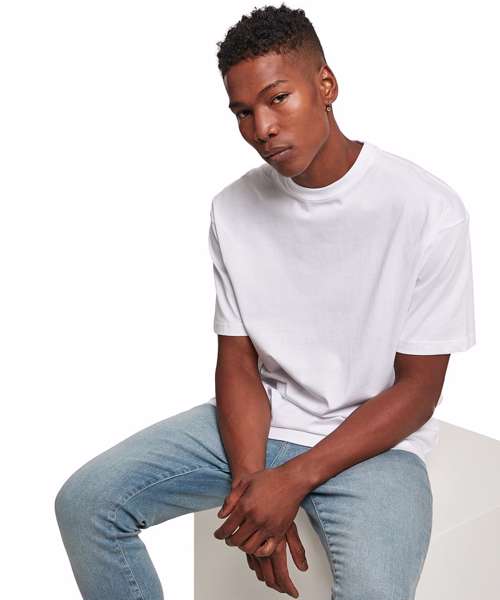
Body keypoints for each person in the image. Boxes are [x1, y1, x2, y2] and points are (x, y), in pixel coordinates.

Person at [54, 4, 476, 599]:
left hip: (375, 449)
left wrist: (292, 481)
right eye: (243, 112)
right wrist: (253, 487)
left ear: (325, 85)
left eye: (278, 99)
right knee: (87, 504)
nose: (262, 128)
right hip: (263, 424)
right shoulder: (232, 209)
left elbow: (419, 389)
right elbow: (237, 362)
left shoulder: (428, 209)